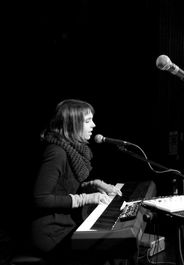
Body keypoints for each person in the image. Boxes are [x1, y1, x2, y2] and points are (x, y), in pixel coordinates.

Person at [31, 99, 122, 264]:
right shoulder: (56, 152)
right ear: (72, 124)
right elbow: (40, 198)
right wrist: (86, 198)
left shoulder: (74, 149)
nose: (93, 125)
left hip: (67, 224)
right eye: (88, 121)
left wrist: (95, 184)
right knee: (108, 252)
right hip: (52, 232)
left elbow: (64, 188)